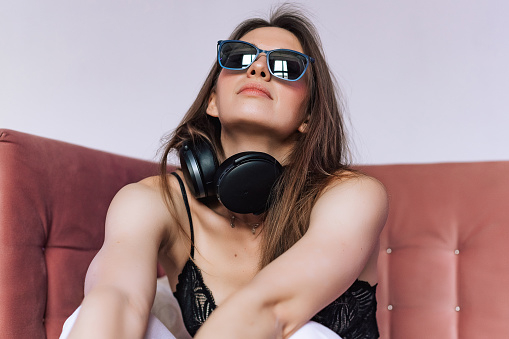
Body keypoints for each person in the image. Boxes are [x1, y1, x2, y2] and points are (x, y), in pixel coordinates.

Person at [62, 4, 388, 339]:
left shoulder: (353, 196)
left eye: (285, 66)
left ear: (309, 115)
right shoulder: (154, 201)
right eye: (239, 57)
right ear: (213, 100)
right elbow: (117, 297)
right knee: (89, 316)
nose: (259, 69)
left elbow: (269, 308)